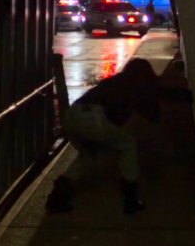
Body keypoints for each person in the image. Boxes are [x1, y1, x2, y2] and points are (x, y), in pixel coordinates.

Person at [45, 58, 162, 214]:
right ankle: (130, 197)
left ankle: (57, 197)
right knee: (128, 145)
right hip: (93, 118)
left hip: (73, 115)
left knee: (87, 156)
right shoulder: (137, 86)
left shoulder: (115, 81)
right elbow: (150, 113)